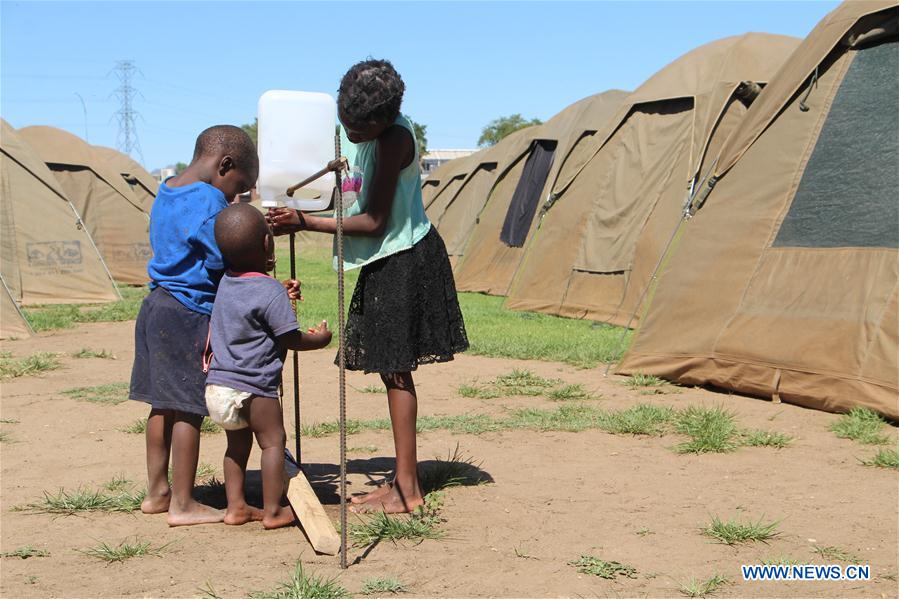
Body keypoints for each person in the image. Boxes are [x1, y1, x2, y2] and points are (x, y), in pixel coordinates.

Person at [268, 59, 469, 513]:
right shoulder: (368, 133)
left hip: (405, 257)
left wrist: (304, 223)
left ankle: (408, 491)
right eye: (347, 125)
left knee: (396, 370)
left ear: (384, 118)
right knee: (389, 370)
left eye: (360, 129)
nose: (352, 134)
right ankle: (401, 480)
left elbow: (374, 220)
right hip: (388, 257)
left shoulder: (394, 138)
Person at [129, 125, 258, 526]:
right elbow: (222, 254)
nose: (234, 198)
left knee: (161, 405)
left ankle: (157, 492)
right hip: (188, 311)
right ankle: (184, 504)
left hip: (155, 306)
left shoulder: (167, 189)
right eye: (238, 187)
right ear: (225, 165)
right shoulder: (208, 201)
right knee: (188, 408)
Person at [204, 203, 331, 529]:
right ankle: (273, 511)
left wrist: (280, 294)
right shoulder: (269, 291)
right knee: (273, 441)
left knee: (237, 445)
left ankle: (236, 508)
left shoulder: (226, 283)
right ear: (266, 243)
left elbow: (254, 311)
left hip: (218, 388)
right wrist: (320, 340)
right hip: (254, 388)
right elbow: (290, 338)